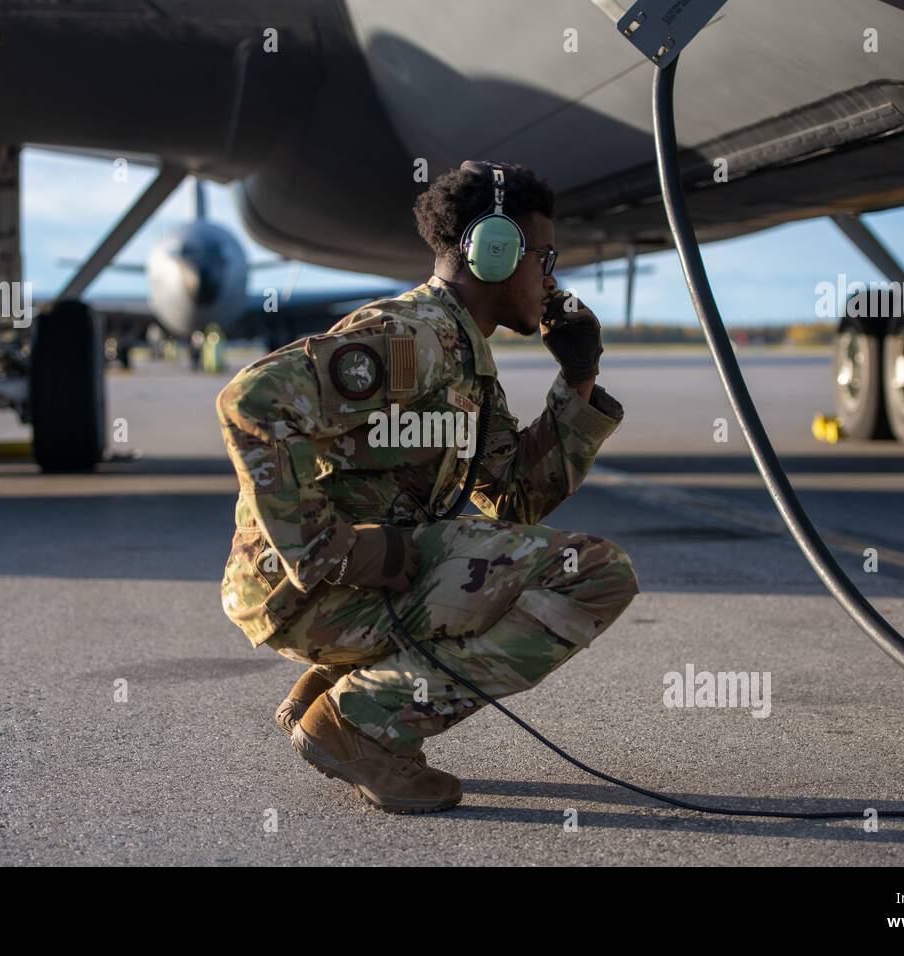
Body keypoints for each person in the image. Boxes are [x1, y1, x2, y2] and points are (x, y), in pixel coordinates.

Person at [216, 160, 639, 813]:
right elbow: (252, 402)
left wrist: (578, 382)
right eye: (544, 256)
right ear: (494, 253)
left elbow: (516, 499)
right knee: (595, 575)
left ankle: (338, 691)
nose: (552, 278)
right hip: (311, 586)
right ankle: (362, 719)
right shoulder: (414, 339)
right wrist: (327, 549)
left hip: (341, 586)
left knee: (496, 551)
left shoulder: (465, 360)